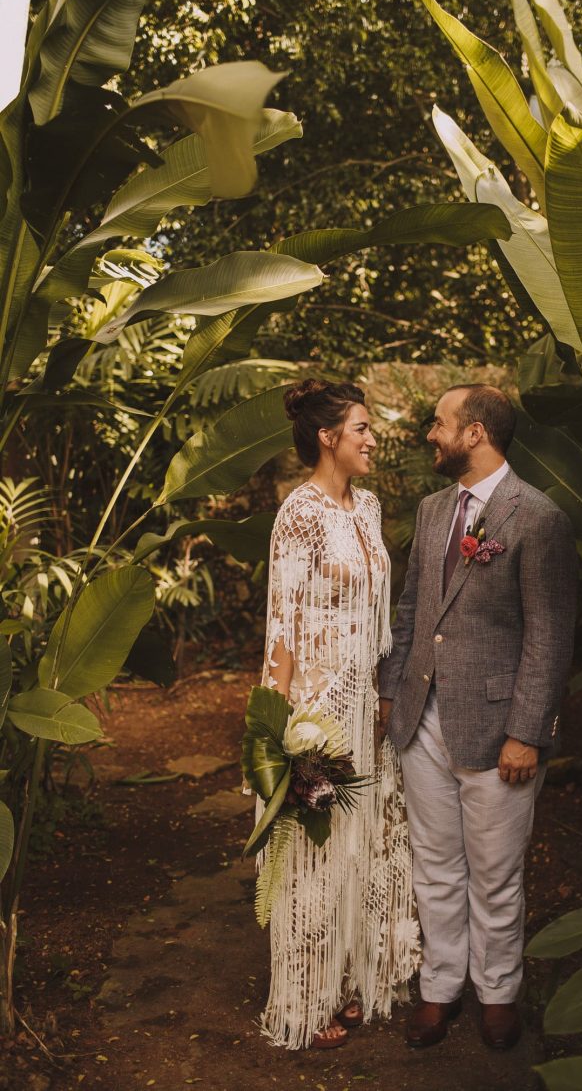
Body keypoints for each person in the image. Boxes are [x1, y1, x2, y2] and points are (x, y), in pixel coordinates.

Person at [378, 384, 578, 1051]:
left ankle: (498, 990)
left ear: (475, 433)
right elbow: (411, 608)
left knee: (495, 870)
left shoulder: (537, 516)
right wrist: (391, 691)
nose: (429, 433)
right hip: (422, 719)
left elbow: (549, 634)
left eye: (439, 422)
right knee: (435, 862)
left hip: (498, 730)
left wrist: (527, 730)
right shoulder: (434, 510)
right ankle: (440, 986)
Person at [255, 379, 419, 1050]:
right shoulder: (297, 513)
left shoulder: (370, 506)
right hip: (317, 711)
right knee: (312, 859)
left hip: (365, 710)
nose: (372, 438)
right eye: (361, 428)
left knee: (360, 848)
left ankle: (351, 981)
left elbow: (378, 613)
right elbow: (282, 627)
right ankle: (304, 997)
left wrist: (383, 693)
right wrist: (280, 727)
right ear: (328, 438)